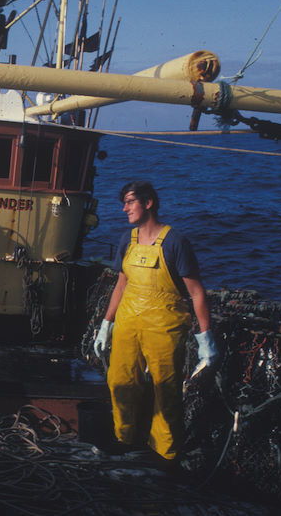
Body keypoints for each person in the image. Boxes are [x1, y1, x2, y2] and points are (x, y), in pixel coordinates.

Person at [93, 180, 218, 462]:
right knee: (120, 380)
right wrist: (106, 324)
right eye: (124, 203)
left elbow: (196, 293)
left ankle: (165, 454)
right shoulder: (127, 239)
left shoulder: (175, 242)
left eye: (130, 202)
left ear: (148, 203)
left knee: (166, 389)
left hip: (164, 325)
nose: (124, 209)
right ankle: (123, 439)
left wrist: (205, 339)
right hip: (127, 322)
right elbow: (121, 284)